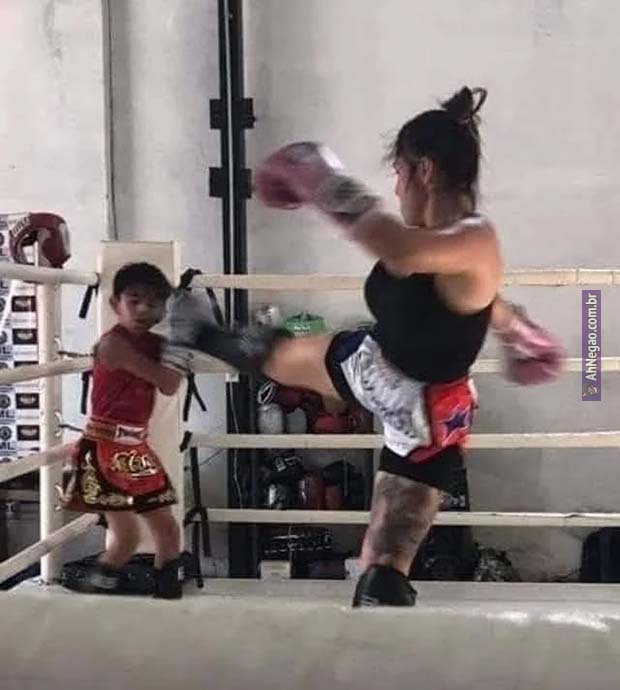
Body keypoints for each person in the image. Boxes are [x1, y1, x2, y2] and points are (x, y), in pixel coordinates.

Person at [163, 87, 563, 606]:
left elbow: (400, 250)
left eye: (398, 173)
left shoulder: (473, 237)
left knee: (384, 564)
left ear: (423, 170)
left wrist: (318, 176)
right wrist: (519, 332)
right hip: (376, 367)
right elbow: (483, 298)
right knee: (276, 355)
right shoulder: (446, 245)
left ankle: (382, 609)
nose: (396, 189)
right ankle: (200, 333)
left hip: (423, 410)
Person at [60, 263, 184, 599]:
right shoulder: (112, 345)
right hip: (103, 447)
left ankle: (167, 592)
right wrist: (185, 343)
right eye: (135, 300)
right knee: (127, 537)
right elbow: (168, 382)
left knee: (168, 528)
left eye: (154, 302)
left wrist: (188, 333)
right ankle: (98, 587)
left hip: (135, 448)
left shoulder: (158, 343)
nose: (144, 309)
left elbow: (172, 374)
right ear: (116, 304)